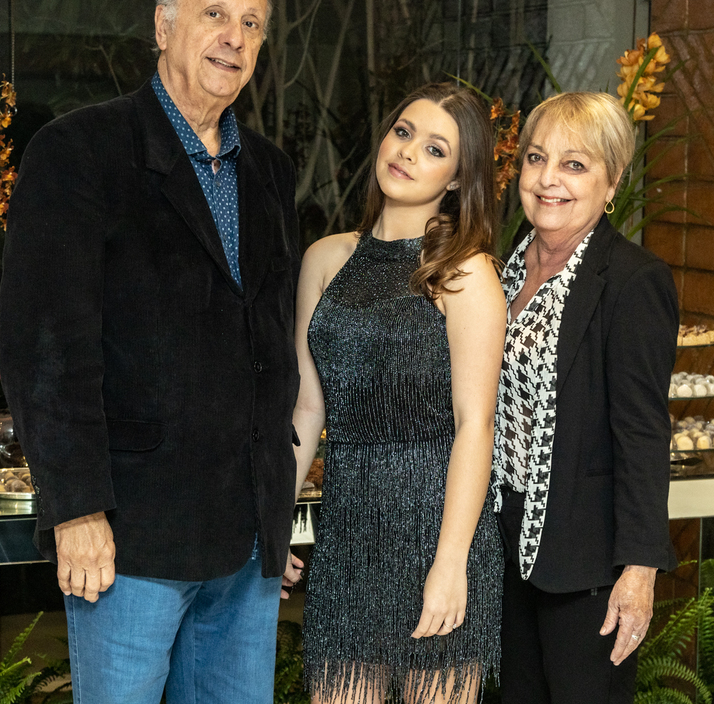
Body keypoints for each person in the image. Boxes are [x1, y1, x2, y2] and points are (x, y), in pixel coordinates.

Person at [0, 0, 302, 704]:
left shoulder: (269, 171)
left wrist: (277, 514)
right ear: (163, 28)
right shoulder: (78, 152)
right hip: (130, 536)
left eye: (252, 24)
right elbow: (46, 350)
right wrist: (76, 507)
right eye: (214, 15)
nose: (234, 37)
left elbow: (269, 345)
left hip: (245, 539)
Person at [291, 82, 506, 704]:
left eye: (435, 149)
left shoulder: (466, 271)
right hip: (349, 544)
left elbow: (474, 425)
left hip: (439, 536)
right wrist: (279, 521)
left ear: (458, 178)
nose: (408, 152)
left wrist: (451, 564)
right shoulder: (325, 258)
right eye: (404, 132)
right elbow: (307, 408)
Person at [493, 92, 678, 703]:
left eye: (574, 165)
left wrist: (640, 570)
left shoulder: (632, 281)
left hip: (585, 563)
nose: (548, 179)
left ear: (612, 182)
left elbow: (643, 433)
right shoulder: (499, 270)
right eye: (536, 158)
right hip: (496, 551)